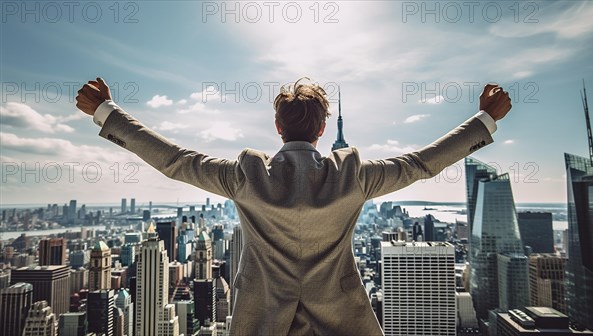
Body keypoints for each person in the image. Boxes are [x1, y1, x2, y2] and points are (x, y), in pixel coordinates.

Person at [76, 77, 511, 335]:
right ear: (323, 128)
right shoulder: (353, 174)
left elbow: (176, 161)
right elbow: (419, 164)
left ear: (277, 126)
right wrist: (484, 120)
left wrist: (107, 112)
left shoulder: (246, 174)